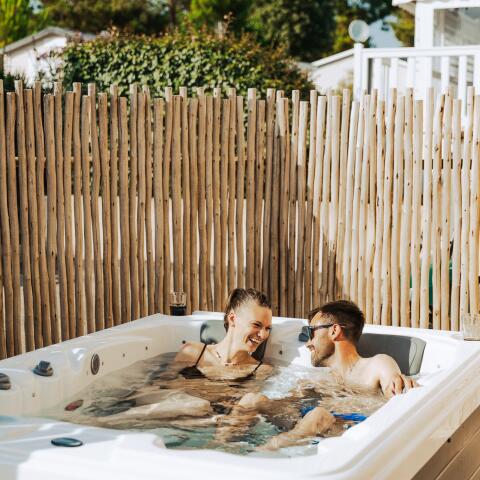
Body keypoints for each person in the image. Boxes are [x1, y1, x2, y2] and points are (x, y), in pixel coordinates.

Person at [236, 300, 417, 450]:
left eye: (311, 332)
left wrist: (399, 382)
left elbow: (395, 388)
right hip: (311, 426)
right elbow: (290, 409)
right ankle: (225, 445)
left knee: (319, 416)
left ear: (334, 331)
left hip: (355, 433)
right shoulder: (318, 378)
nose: (308, 343)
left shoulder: (375, 365)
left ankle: (258, 458)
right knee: (252, 399)